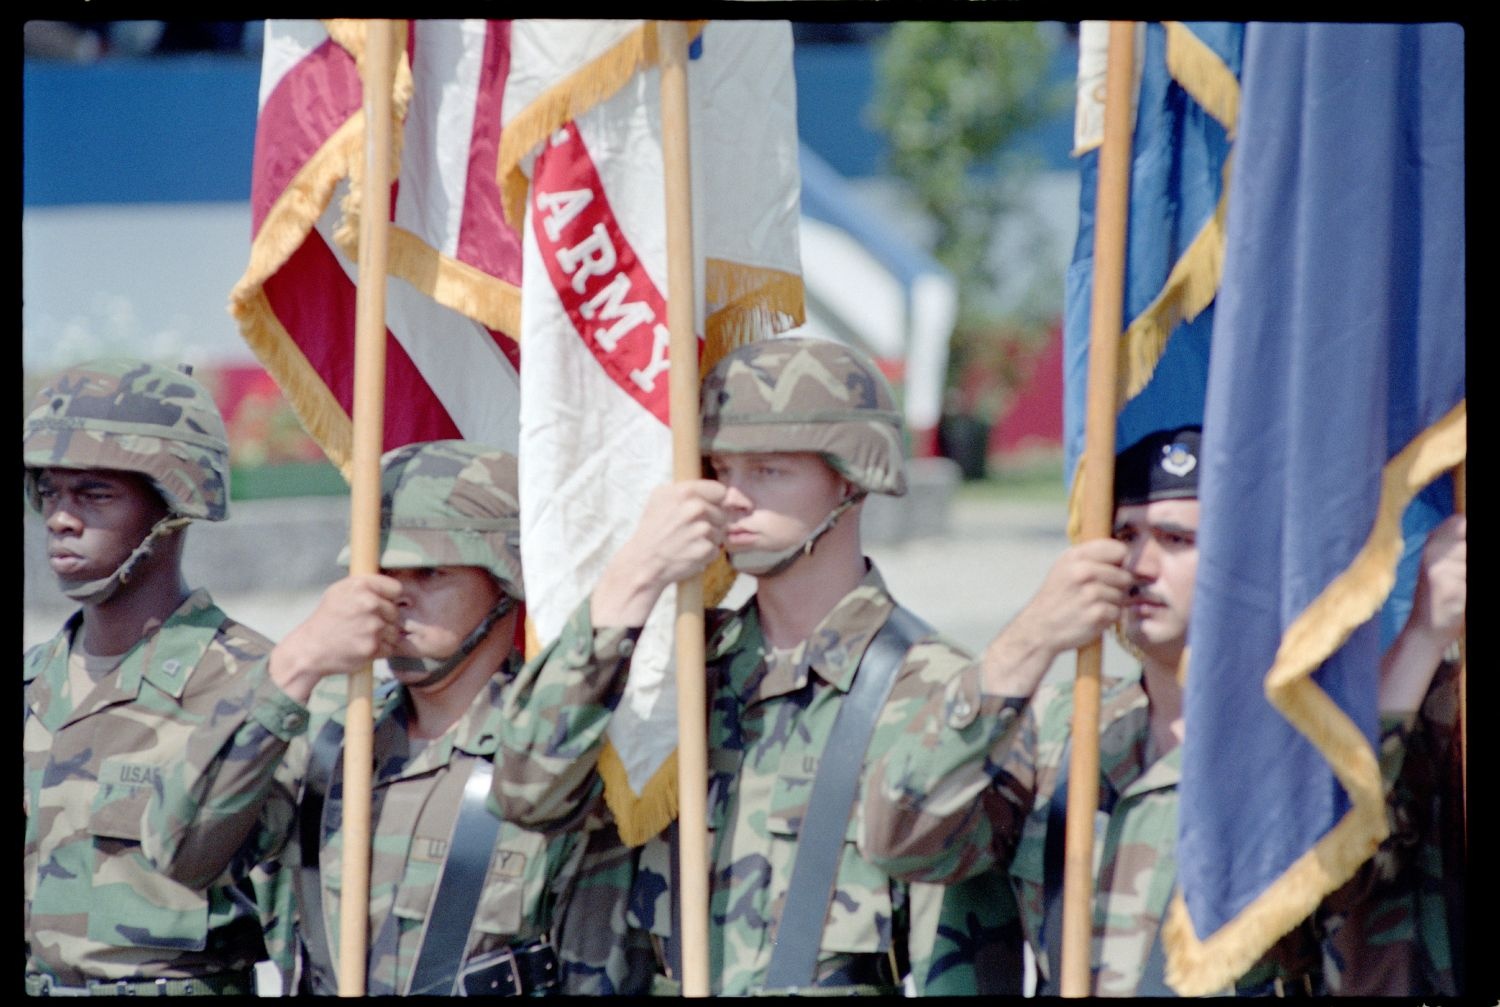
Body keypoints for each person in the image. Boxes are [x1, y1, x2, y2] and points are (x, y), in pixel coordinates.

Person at [489, 335, 1024, 996]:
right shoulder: (673, 669)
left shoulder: (933, 692)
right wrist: (629, 584)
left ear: (852, 477)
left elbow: (962, 964)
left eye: (769, 470)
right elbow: (524, 789)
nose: (731, 497)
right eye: (720, 468)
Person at [858, 426, 1467, 996]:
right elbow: (905, 840)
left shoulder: (1309, 737)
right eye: (1124, 536)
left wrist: (1420, 638)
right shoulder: (1059, 731)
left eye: (1176, 540)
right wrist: (1031, 640)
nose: (1138, 566)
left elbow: (1349, 885)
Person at [144, 439, 642, 995]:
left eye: (430, 572)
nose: (395, 596)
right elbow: (179, 851)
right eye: (379, 569)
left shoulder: (557, 749)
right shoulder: (329, 738)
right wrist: (296, 663)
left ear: (507, 580)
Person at [23, 358, 275, 996]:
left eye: (93, 493)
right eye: (49, 492)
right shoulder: (32, 688)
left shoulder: (260, 687)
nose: (60, 517)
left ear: (174, 501)